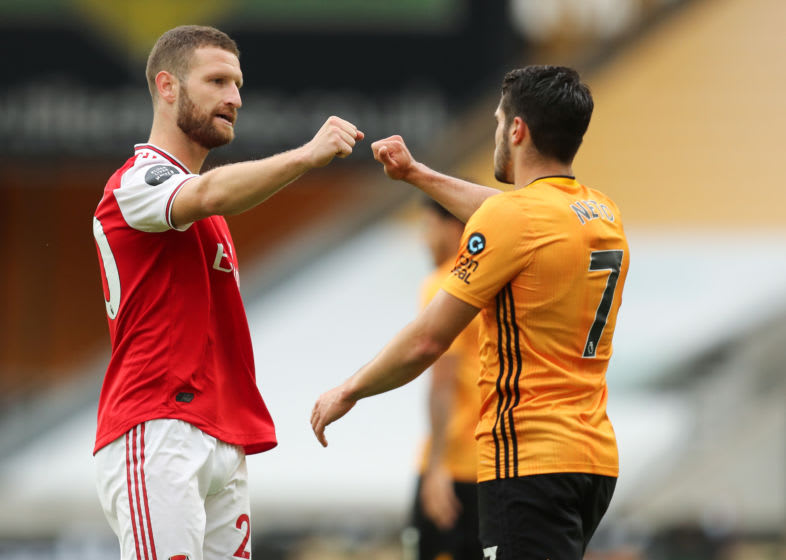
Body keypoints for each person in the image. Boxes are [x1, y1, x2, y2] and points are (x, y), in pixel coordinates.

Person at [311, 65, 629, 560]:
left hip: (527, 460)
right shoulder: (602, 212)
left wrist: (350, 389)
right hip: (591, 460)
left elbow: (427, 342)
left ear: (518, 130)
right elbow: (508, 213)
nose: (498, 131)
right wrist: (416, 174)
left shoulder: (515, 220)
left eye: (500, 122)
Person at [92, 25, 363, 560]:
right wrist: (307, 156)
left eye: (238, 85)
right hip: (158, 426)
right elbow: (211, 191)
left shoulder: (210, 216)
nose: (235, 98)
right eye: (217, 81)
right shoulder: (138, 179)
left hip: (221, 435)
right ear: (166, 87)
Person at [409, 199, 483, 560]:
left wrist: (437, 468)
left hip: (455, 465)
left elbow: (442, 381)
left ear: (453, 228)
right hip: (499, 465)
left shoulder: (445, 285)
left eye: (427, 226)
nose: (424, 239)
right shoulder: (498, 284)